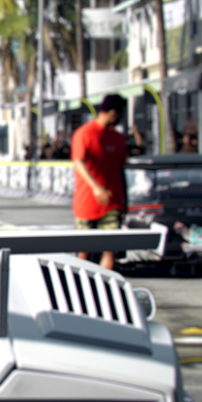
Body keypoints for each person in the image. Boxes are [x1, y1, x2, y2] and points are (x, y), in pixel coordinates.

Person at [71, 94, 128, 271]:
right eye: (120, 113)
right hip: (86, 203)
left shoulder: (118, 138)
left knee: (109, 249)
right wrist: (96, 187)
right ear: (112, 113)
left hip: (112, 202)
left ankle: (105, 287)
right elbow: (78, 161)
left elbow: (121, 169)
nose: (121, 117)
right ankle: (81, 286)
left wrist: (125, 201)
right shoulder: (85, 133)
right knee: (84, 250)